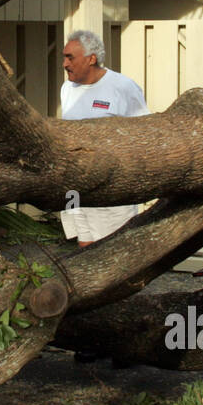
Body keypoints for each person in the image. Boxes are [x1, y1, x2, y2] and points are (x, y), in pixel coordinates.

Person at [59, 29, 147, 246]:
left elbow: (144, 132)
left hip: (111, 189)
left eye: (70, 57)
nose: (64, 64)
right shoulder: (67, 88)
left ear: (91, 59)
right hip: (75, 189)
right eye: (64, 57)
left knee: (115, 248)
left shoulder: (122, 87)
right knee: (83, 244)